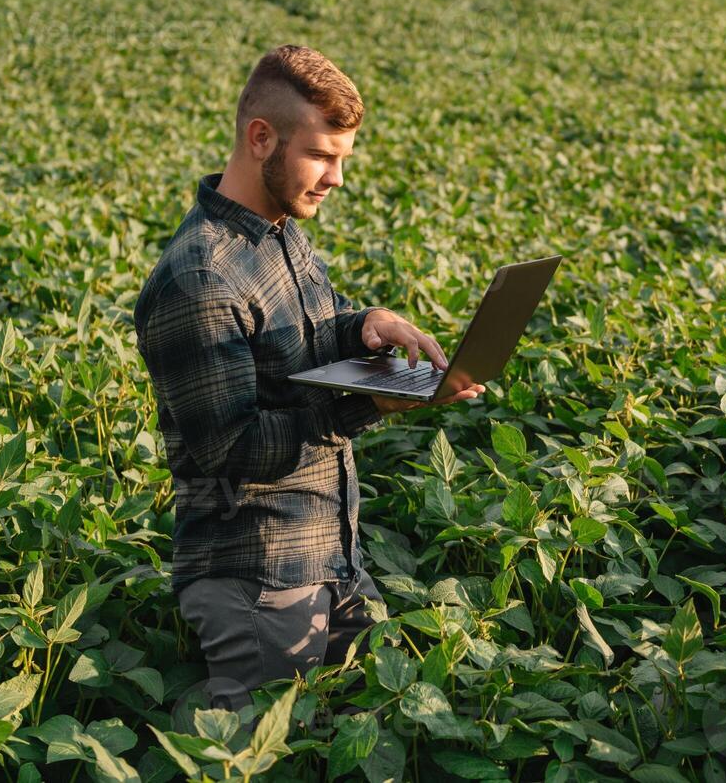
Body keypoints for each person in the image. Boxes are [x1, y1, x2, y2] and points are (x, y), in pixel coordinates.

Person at [133, 45, 483, 717]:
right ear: (260, 137)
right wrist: (367, 404)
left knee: (372, 732)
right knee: (263, 756)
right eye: (323, 155)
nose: (337, 178)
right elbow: (232, 452)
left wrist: (362, 329)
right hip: (259, 582)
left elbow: (295, 348)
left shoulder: (279, 233)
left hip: (332, 557)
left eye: (343, 158)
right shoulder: (199, 279)